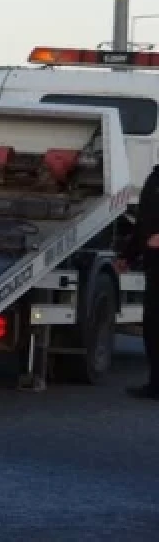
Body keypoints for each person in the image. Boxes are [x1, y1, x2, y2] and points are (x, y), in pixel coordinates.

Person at [119, 164, 159, 400]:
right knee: (153, 327)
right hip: (154, 264)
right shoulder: (154, 177)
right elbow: (143, 223)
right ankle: (155, 384)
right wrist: (128, 255)